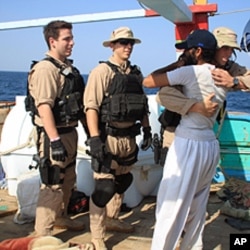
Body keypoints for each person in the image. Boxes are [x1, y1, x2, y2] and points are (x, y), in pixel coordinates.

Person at [143, 29, 231, 250]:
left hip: (188, 145)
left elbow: (149, 80)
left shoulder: (191, 72)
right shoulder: (222, 76)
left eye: (188, 50)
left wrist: (180, 63)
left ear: (198, 51)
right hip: (210, 145)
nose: (184, 54)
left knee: (170, 206)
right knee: (197, 206)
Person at [84, 26, 152, 250]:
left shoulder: (135, 73)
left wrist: (148, 129)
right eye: (123, 42)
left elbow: (142, 106)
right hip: (107, 136)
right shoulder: (101, 72)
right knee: (104, 188)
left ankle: (113, 219)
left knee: (122, 182)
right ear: (112, 45)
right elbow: (91, 107)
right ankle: (97, 236)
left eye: (130, 43)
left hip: (128, 137)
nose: (128, 46)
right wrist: (95, 139)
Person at [153, 26, 250, 166]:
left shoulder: (228, 68)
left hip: (203, 137)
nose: (229, 53)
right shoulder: (189, 67)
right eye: (225, 48)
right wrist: (195, 107)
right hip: (176, 132)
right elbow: (163, 95)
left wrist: (234, 82)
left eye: (232, 49)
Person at [26, 20, 86, 236]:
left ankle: (61, 217)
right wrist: (54, 140)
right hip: (54, 135)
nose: (72, 42)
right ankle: (42, 234)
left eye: (71, 38)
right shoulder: (45, 69)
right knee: (52, 183)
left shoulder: (68, 69)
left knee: (69, 178)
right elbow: (44, 107)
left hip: (70, 132)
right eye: (66, 39)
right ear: (52, 41)